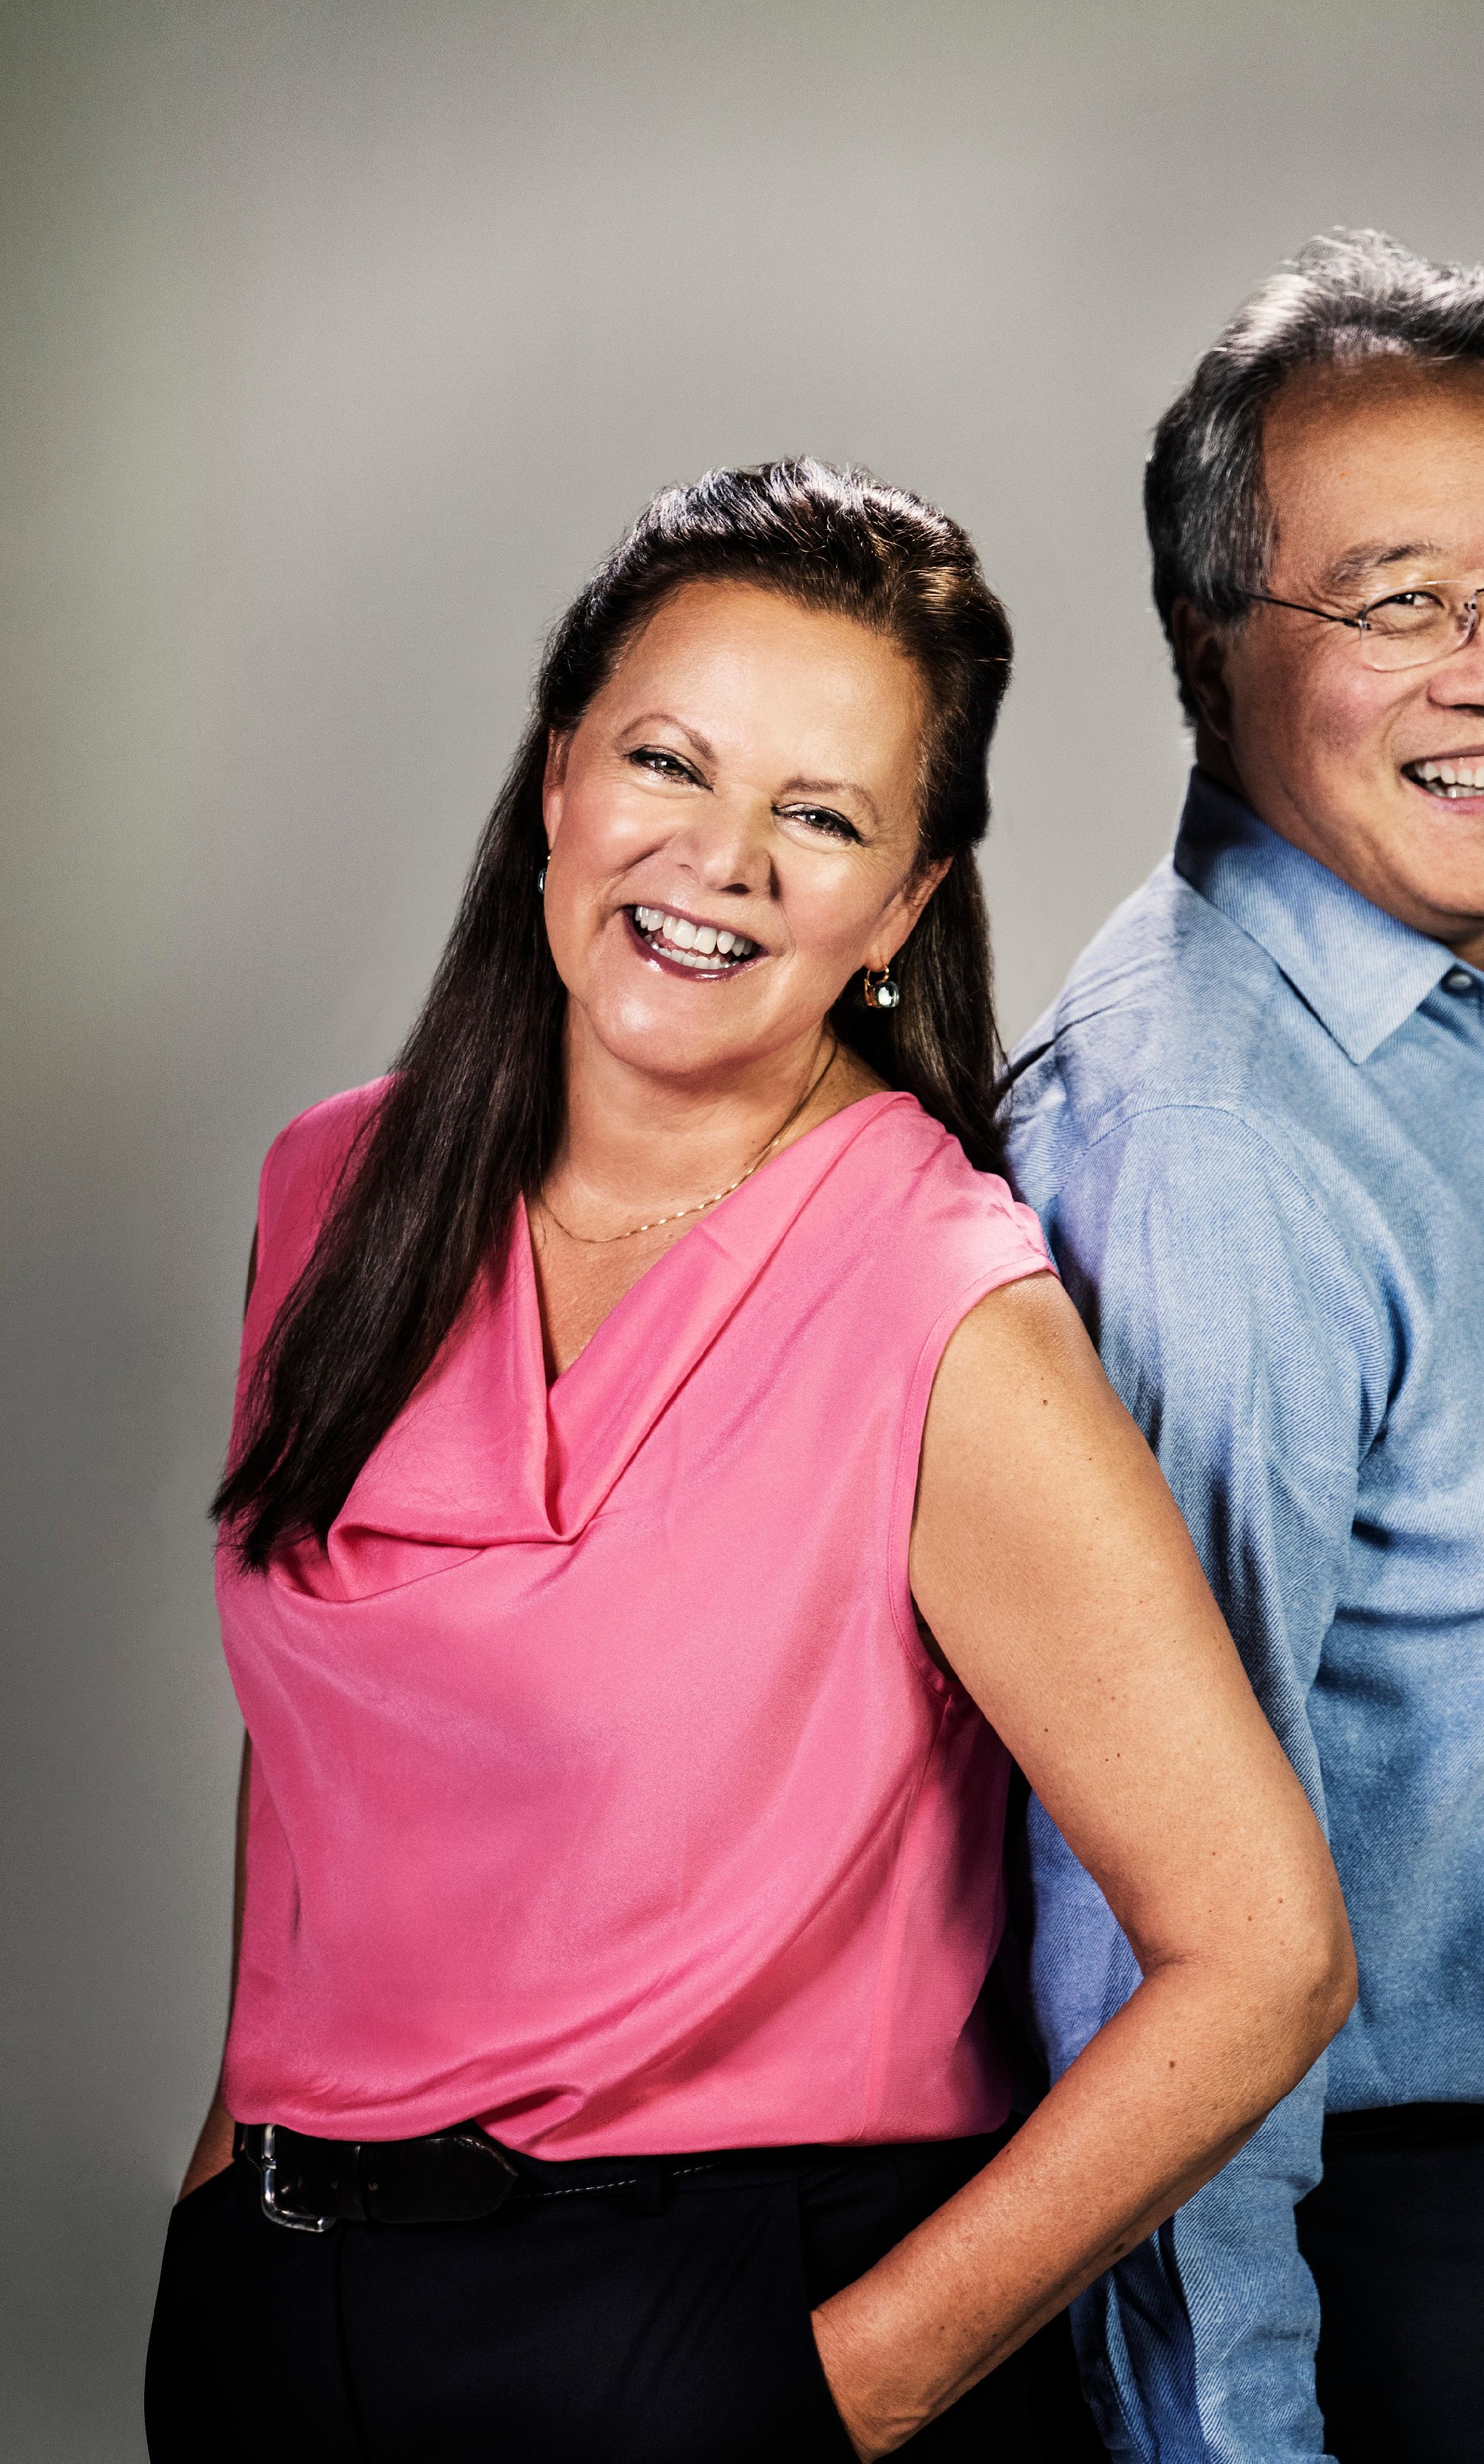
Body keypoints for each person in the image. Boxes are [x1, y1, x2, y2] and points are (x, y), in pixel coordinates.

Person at [144, 460, 1357, 2463]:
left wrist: (819, 2398)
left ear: (902, 902)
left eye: (818, 817)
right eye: (666, 763)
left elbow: (1264, 1958)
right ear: (556, 784)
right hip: (289, 2309)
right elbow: (332, 1746)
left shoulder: (933, 1296)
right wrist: (226, 2196)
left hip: (709, 2324)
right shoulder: (328, 1190)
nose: (717, 862)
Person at [1008, 235, 1484, 2462]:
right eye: (1400, 601)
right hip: (1372, 2267)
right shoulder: (1204, 1147)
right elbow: (1144, 1943)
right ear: (1203, 646)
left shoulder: (1434, 1004)